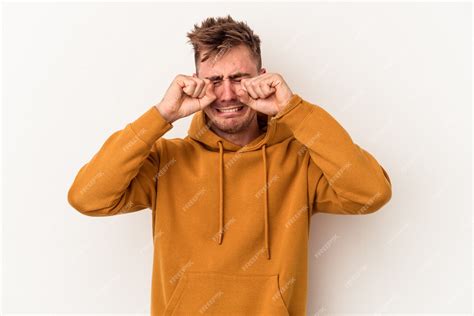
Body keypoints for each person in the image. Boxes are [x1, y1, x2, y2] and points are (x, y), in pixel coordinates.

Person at [68, 14, 392, 316]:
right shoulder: (166, 162)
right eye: (214, 80)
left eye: (239, 78)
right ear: (195, 82)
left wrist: (294, 110)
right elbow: (88, 197)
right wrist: (161, 115)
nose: (226, 95)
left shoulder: (300, 161)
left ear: (262, 79)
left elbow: (371, 193)